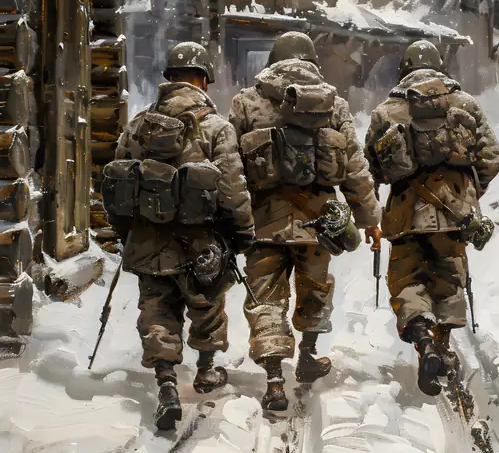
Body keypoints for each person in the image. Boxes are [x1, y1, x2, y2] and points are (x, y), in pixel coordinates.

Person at [104, 42, 254, 431]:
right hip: (201, 242)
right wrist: (241, 233)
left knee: (156, 310)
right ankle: (205, 370)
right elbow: (233, 188)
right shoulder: (216, 127)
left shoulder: (138, 125)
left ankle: (167, 383)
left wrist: (128, 236)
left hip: (148, 240)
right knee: (206, 303)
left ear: (168, 78)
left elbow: (116, 189)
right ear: (203, 78)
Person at [229, 32, 381, 412]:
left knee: (265, 298)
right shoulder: (335, 105)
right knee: (315, 286)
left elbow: (229, 166)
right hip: (319, 220)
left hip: (262, 222)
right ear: (312, 60)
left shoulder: (247, 102)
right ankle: (309, 356)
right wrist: (369, 219)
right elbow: (354, 168)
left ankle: (274, 379)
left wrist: (228, 217)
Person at [365, 40, 499, 396]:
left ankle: (423, 341)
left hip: (405, 216)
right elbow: (490, 159)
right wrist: (469, 194)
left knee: (407, 281)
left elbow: (372, 169)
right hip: (454, 218)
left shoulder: (387, 112)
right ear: (440, 67)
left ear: (404, 70)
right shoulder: (465, 105)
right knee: (449, 280)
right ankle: (442, 347)